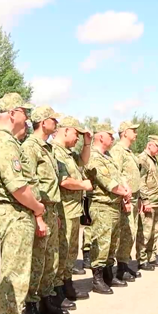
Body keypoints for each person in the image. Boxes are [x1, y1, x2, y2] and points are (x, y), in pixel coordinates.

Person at [0, 92, 43, 314]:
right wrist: (38, 207)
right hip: (14, 213)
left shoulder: (1, 140)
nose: (27, 117)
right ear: (12, 114)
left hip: (14, 213)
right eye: (24, 112)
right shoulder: (4, 143)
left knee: (18, 272)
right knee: (14, 275)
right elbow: (18, 187)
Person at [21, 105, 71, 314]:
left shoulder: (47, 148)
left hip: (51, 208)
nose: (57, 124)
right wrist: (38, 216)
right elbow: (29, 183)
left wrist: (53, 213)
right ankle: (30, 305)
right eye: (53, 120)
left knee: (51, 259)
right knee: (38, 260)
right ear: (43, 122)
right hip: (39, 209)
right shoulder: (30, 147)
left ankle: (45, 299)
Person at [84, 123, 132, 294]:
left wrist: (125, 190)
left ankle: (108, 275)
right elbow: (107, 182)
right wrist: (124, 193)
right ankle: (97, 280)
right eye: (109, 135)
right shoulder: (94, 157)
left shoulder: (108, 156)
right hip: (102, 206)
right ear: (100, 137)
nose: (112, 138)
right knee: (101, 243)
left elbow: (119, 176)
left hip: (113, 205)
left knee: (112, 242)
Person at [52, 116, 92, 301]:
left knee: (70, 250)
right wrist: (83, 185)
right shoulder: (55, 152)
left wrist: (87, 144)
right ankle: (58, 289)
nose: (77, 138)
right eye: (76, 134)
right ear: (65, 131)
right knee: (62, 249)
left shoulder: (68, 153)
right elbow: (63, 180)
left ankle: (67, 284)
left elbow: (83, 161)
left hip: (73, 210)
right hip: (63, 210)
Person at [111, 121, 143, 282]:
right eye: (133, 130)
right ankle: (120, 267)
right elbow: (116, 173)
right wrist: (124, 195)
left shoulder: (129, 152)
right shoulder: (118, 151)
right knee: (125, 231)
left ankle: (124, 263)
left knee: (131, 231)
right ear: (124, 133)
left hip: (135, 197)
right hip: (125, 197)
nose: (136, 133)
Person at [136, 135, 158, 271]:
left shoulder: (153, 159)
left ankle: (151, 257)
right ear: (150, 145)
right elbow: (140, 182)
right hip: (148, 201)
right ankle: (142, 259)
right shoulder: (143, 159)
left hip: (155, 201)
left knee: (155, 230)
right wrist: (145, 200)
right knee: (145, 232)